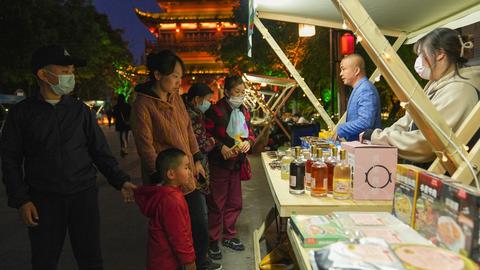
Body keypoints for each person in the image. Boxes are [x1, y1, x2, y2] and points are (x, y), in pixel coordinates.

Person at [0, 45, 137, 270]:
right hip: (43, 199)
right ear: (43, 74)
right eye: (65, 71)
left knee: (91, 258)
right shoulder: (22, 114)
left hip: (83, 196)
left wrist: (120, 180)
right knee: (44, 260)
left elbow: (99, 151)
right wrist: (21, 200)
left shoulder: (80, 111)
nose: (70, 77)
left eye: (72, 71)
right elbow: (10, 160)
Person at [131, 50, 220, 270]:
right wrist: (159, 177)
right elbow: (146, 146)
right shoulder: (143, 104)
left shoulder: (177, 99)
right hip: (167, 177)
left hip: (186, 171)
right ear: (157, 75)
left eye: (180, 77)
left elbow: (188, 129)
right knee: (172, 228)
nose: (179, 82)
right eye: (174, 76)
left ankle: (199, 261)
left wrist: (197, 158)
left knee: (199, 220)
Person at [361, 28, 479, 165]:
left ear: (440, 54)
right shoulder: (436, 85)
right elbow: (409, 120)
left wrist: (379, 137)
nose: (419, 61)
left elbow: (428, 143)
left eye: (422, 54)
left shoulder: (460, 90)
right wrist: (380, 135)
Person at [205, 75, 255, 260]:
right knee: (216, 203)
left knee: (235, 202)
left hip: (236, 164)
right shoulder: (215, 111)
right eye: (237, 92)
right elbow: (204, 134)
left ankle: (229, 235)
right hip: (219, 164)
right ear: (226, 92)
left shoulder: (245, 111)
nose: (240, 96)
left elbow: (250, 133)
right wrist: (220, 146)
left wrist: (248, 142)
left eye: (243, 92)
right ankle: (213, 240)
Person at [134, 148, 197, 270]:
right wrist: (189, 261)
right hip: (168, 262)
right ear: (171, 174)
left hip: (159, 259)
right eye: (186, 167)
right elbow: (179, 235)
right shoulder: (172, 200)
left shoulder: (163, 193)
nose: (189, 171)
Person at [334, 54, 382, 141]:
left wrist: (341, 129)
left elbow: (365, 122)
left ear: (356, 70)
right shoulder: (361, 88)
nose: (341, 74)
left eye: (343, 69)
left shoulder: (366, 89)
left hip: (366, 150)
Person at [182, 83, 216, 193]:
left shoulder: (184, 111)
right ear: (197, 99)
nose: (209, 103)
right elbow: (200, 146)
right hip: (197, 163)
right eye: (207, 99)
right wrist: (212, 141)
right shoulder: (194, 116)